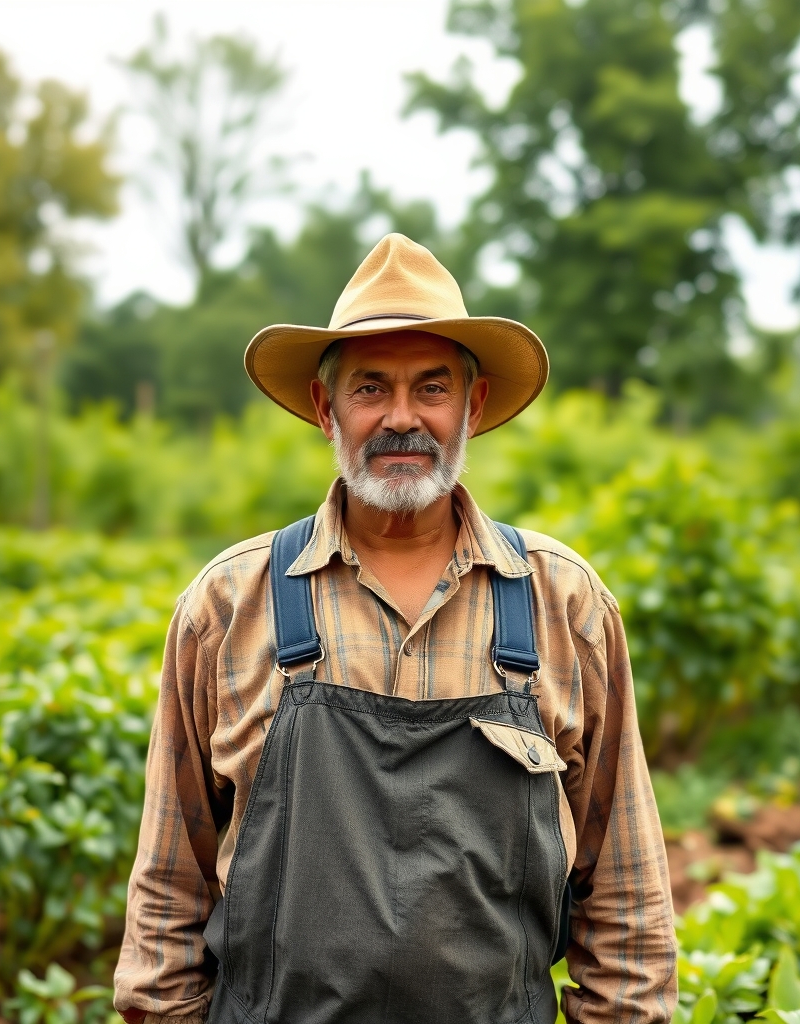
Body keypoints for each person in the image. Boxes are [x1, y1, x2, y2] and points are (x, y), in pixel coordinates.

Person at [114, 233, 677, 1024]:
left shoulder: (563, 602)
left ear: (472, 408)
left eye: (433, 388)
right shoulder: (227, 605)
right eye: (371, 388)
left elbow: (626, 895)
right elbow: (168, 889)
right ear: (326, 408)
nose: (402, 417)